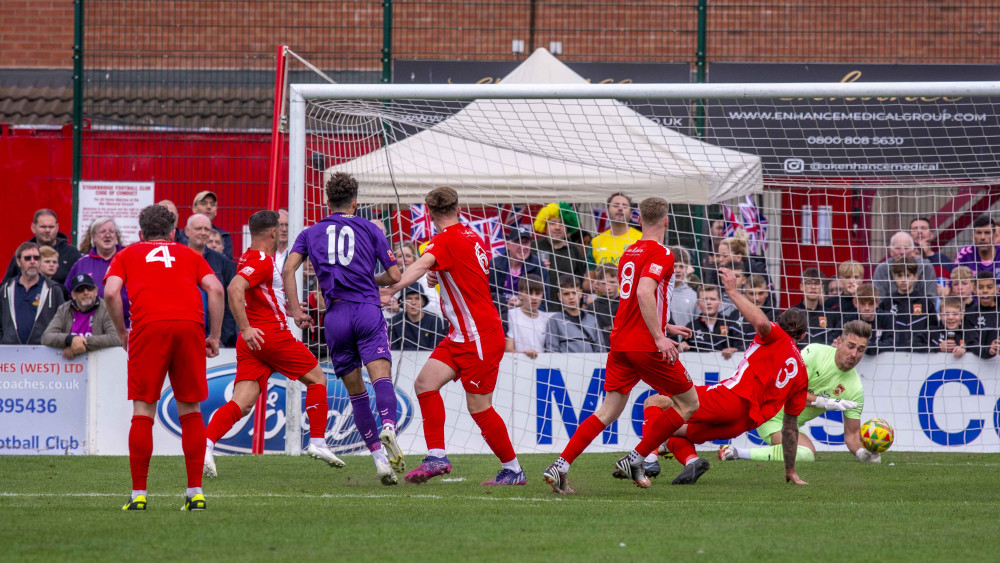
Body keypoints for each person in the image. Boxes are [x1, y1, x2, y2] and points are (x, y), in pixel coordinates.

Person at [542, 197, 695, 494]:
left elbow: (639, 299)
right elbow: (643, 292)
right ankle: (637, 458)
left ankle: (561, 466)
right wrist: (659, 336)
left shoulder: (629, 251)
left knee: (608, 411)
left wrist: (665, 326)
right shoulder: (663, 252)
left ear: (639, 220)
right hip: (645, 344)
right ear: (666, 221)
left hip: (621, 341)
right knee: (689, 403)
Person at [379, 186, 525, 486]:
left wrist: (391, 289)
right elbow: (457, 271)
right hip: (461, 334)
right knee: (424, 384)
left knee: (479, 407)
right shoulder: (472, 236)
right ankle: (436, 456)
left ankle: (513, 469)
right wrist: (438, 273)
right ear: (458, 208)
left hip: (479, 336)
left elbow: (418, 266)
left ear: (430, 214)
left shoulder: (443, 241)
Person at [625, 268, 811, 485]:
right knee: (671, 430)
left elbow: (761, 323)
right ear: (804, 335)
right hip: (742, 424)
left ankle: (648, 460)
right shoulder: (802, 373)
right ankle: (691, 461)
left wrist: (732, 291)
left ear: (778, 324)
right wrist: (791, 471)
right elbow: (790, 428)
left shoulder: (775, 335)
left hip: (730, 399)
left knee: (655, 401)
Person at [203, 211, 346, 478]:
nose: (282, 231)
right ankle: (318, 442)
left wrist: (288, 309)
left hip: (254, 343)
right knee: (317, 379)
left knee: (242, 403)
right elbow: (235, 289)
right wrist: (245, 328)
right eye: (280, 228)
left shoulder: (248, 256)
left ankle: (206, 443)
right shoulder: (261, 261)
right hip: (269, 336)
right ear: (272, 233)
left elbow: (259, 295)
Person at [284, 172, 405, 484]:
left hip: (335, 318)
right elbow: (393, 275)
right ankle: (389, 426)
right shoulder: (370, 227)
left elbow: (288, 269)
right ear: (356, 202)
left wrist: (297, 310)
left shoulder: (310, 232)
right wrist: (369, 280)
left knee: (356, 394)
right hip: (366, 310)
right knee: (381, 377)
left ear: (327, 201)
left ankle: (380, 462)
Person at [104, 204, 224, 512]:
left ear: (141, 233)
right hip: (189, 327)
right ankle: (195, 493)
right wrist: (213, 336)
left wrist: (121, 332)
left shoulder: (127, 254)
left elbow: (111, 293)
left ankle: (139, 496)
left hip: (149, 328)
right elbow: (216, 289)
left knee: (144, 409)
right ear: (174, 233)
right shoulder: (191, 255)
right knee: (190, 409)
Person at [719, 320, 879, 466]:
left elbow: (851, 435)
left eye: (860, 350)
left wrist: (861, 453)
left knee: (807, 453)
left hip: (789, 423)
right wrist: (827, 402)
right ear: (838, 342)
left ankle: (733, 452)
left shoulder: (855, 389)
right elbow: (791, 391)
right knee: (806, 453)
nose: (854, 354)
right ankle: (737, 452)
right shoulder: (815, 352)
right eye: (850, 346)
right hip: (769, 412)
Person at [65, 218, 131, 328]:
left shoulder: (129, 258)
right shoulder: (81, 263)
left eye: (111, 231)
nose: (107, 235)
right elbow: (69, 294)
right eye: (102, 231)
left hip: (126, 325)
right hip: (91, 327)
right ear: (94, 238)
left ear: (116, 236)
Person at [185, 214, 238, 347]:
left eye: (206, 229)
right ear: (187, 231)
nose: (203, 233)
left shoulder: (222, 262)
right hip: (184, 332)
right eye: (198, 228)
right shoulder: (177, 258)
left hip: (213, 338)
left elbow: (230, 301)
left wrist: (222, 337)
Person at [41, 273, 120, 359]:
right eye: (80, 290)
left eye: (89, 289)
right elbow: (46, 337)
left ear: (96, 292)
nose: (86, 293)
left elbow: (115, 338)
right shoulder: (64, 309)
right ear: (73, 295)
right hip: (70, 365)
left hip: (100, 363)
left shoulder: (106, 308)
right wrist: (69, 340)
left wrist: (79, 345)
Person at [1, 242, 66, 345]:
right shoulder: (5, 289)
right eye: (27, 258)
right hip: (10, 352)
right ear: (18, 261)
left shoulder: (53, 289)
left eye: (36, 258)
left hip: (43, 352)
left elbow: (64, 323)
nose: (32, 261)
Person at [4, 209, 81, 286]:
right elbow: (6, 285)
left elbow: (80, 285)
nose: (47, 230)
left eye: (51, 227)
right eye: (43, 227)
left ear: (57, 227)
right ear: (33, 227)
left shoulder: (71, 253)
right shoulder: (24, 253)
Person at [533, 203, 586, 311]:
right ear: (545, 226)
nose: (557, 227)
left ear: (567, 228)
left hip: (568, 311)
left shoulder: (574, 250)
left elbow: (580, 280)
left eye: (561, 223)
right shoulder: (534, 247)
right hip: (540, 310)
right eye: (553, 223)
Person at [875, 256, 934, 352]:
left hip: (919, 354)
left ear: (915, 277)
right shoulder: (887, 303)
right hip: (891, 353)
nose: (903, 280)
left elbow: (933, 328)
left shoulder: (925, 303)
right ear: (894, 277)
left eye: (907, 275)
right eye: (899, 276)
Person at [491, 228, 548, 314]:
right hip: (500, 317)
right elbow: (487, 297)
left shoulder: (538, 266)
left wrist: (523, 305)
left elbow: (545, 302)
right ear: (508, 245)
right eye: (517, 242)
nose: (523, 247)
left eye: (526, 243)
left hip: (529, 319)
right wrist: (505, 306)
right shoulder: (494, 265)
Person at [678, 285, 743, 359]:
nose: (708, 302)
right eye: (704, 299)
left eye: (712, 299)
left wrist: (736, 350)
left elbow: (742, 347)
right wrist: (681, 347)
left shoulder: (730, 324)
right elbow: (683, 352)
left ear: (720, 303)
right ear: (698, 304)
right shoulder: (691, 327)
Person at [544, 275, 605, 353]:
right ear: (559, 296)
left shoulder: (592, 320)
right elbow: (552, 351)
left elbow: (600, 351)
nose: (571, 297)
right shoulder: (555, 321)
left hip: (590, 364)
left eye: (574, 293)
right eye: (566, 294)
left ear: (580, 293)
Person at [873, 232, 938, 299]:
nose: (902, 252)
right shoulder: (882, 269)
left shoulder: (926, 267)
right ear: (890, 251)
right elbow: (878, 301)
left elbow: (930, 300)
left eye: (906, 248)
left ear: (913, 250)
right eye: (898, 248)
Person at [790, 268, 841, 346]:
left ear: (822, 288)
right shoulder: (791, 314)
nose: (813, 287)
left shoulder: (831, 315)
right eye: (809, 283)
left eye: (817, 283)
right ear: (801, 287)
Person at [389, 283, 447, 351]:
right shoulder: (395, 321)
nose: (413, 302)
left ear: (423, 302)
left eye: (417, 298)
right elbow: (392, 349)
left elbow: (437, 349)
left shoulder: (435, 321)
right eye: (409, 299)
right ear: (403, 302)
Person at [590, 192, 642, 267]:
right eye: (616, 205)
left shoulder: (643, 239)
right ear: (607, 212)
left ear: (631, 214)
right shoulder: (595, 242)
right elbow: (590, 277)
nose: (620, 208)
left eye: (624, 206)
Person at [505, 274, 550, 359]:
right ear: (520, 295)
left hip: (542, 367)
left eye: (538, 293)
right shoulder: (511, 315)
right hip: (517, 366)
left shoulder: (546, 318)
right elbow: (508, 349)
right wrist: (524, 355)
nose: (534, 297)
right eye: (529, 293)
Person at [964, 271, 1000, 359]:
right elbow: (972, 344)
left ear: (996, 289)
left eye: (989, 287)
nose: (985, 291)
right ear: (974, 290)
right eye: (980, 287)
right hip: (980, 367)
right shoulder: (970, 314)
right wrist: (989, 351)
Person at [954, 215, 1000, 279]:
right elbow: (955, 282)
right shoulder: (964, 253)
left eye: (987, 233)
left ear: (994, 236)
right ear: (973, 236)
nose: (982, 237)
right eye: (979, 233)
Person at [192, 191, 233, 259]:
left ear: (216, 210)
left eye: (212, 204)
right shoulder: (182, 235)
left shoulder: (224, 236)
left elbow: (227, 264)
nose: (209, 207)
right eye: (204, 203)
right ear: (194, 208)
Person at [910, 217, 953, 282]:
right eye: (915, 229)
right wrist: (921, 253)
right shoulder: (905, 259)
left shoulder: (943, 260)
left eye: (923, 228)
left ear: (931, 235)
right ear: (910, 236)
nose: (919, 232)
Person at [587, 264, 619, 348]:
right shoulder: (593, 307)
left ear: (619, 281)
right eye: (604, 283)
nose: (608, 287)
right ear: (597, 284)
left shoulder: (626, 304)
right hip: (601, 350)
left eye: (612, 282)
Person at [667, 246, 698, 329]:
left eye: (681, 266)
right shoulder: (659, 292)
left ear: (687, 268)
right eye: (674, 266)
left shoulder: (693, 296)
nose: (677, 270)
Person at [275, 209, 290, 273]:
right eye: (280, 225)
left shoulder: (296, 252)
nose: (284, 229)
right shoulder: (265, 253)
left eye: (287, 225)